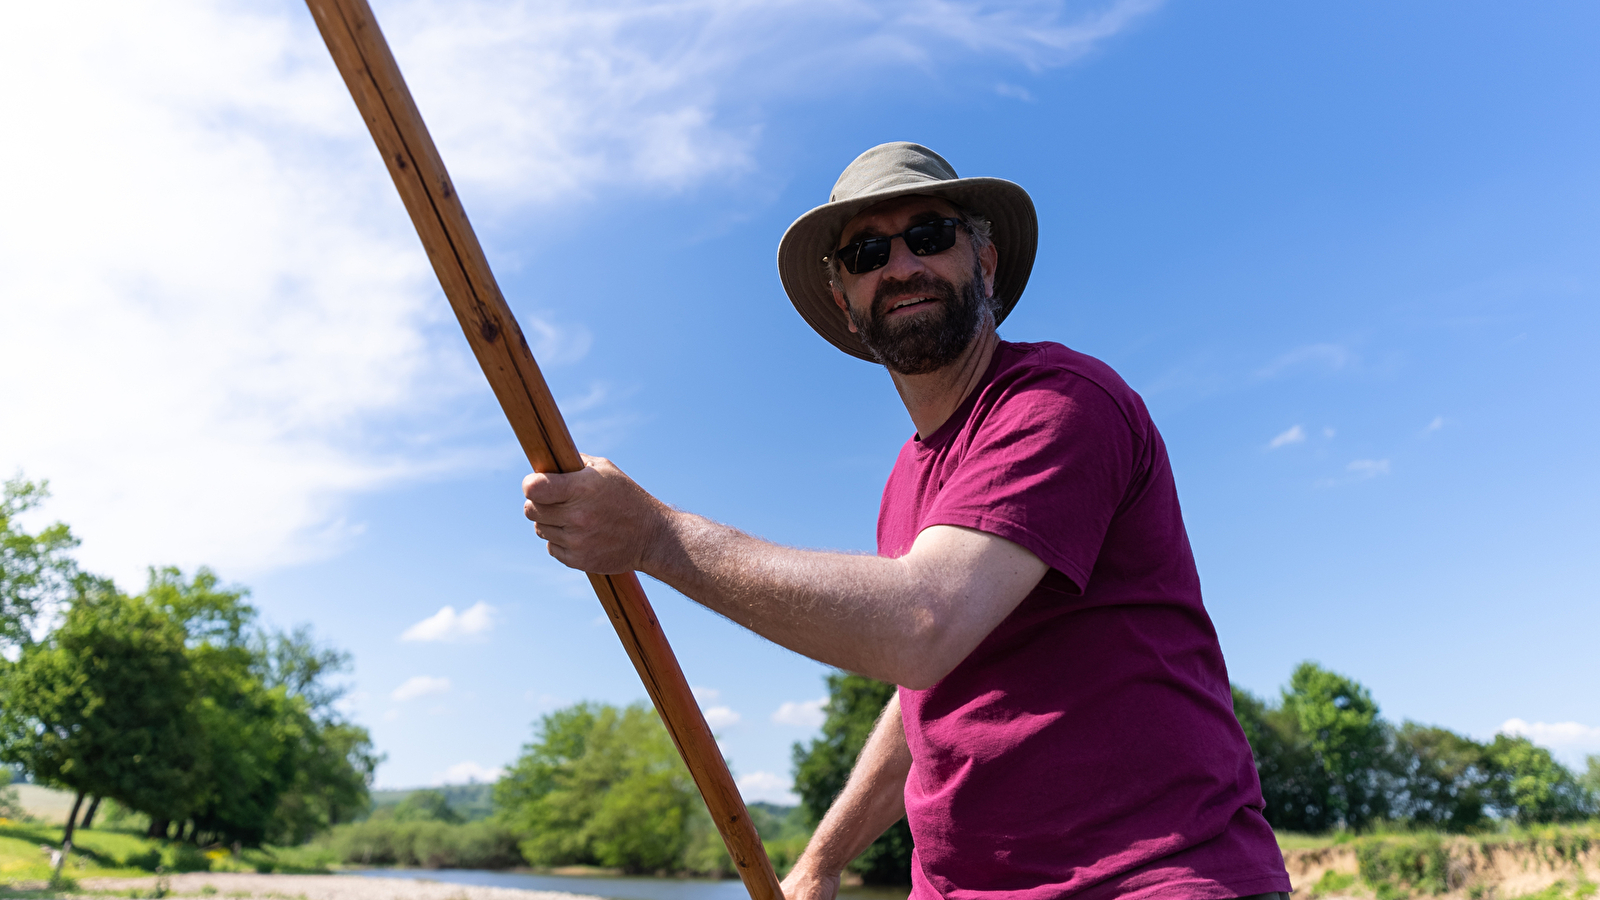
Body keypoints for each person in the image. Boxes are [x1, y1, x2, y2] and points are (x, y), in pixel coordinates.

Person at [521, 143, 1293, 900]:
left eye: (929, 236)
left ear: (983, 264)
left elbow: (922, 623)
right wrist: (822, 864)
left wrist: (658, 537)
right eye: (865, 253)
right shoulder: (907, 480)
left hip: (1151, 878)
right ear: (846, 304)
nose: (900, 266)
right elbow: (925, 696)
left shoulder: (1059, 403)